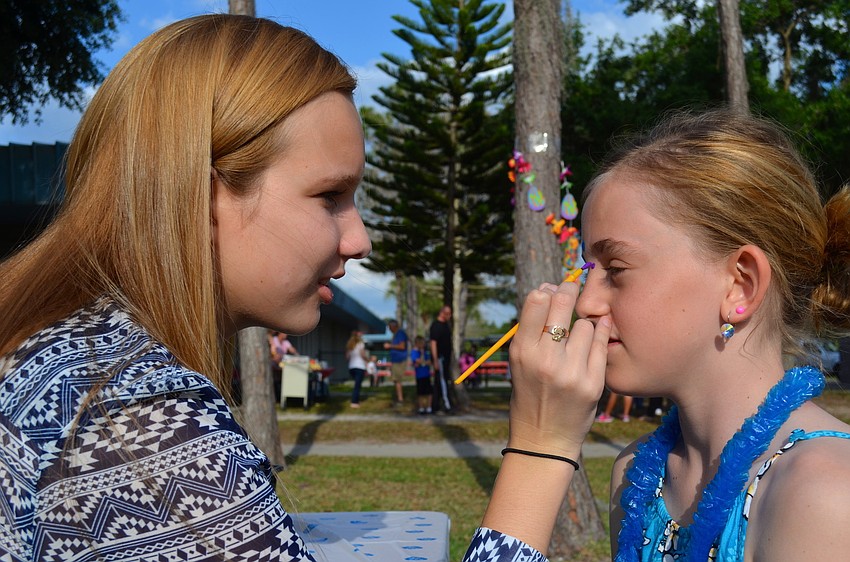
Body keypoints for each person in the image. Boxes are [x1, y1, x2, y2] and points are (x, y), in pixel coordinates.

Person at [0, 15, 609, 561]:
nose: (359, 239)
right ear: (202, 197)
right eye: (330, 197)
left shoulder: (54, 355)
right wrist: (540, 449)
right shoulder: (140, 427)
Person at [569, 109, 850, 561]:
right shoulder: (636, 474)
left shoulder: (826, 494)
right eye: (589, 272)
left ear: (740, 285)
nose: (586, 303)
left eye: (616, 270)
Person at [429, 305, 454, 413]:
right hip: (440, 358)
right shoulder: (436, 326)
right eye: (448, 313)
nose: (450, 316)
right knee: (443, 381)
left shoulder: (446, 325)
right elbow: (433, 343)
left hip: (446, 358)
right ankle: (447, 404)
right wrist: (435, 360)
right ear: (442, 313)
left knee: (439, 382)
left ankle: (435, 405)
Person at [383, 319, 409, 406]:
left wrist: (390, 346)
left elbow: (402, 346)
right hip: (396, 360)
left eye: (390, 327)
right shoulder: (396, 335)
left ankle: (400, 399)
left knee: (397, 380)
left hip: (399, 360)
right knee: (395, 380)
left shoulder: (400, 334)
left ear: (394, 326)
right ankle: (398, 397)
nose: (389, 329)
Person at [269, 330, 298, 399]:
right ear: (280, 333)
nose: (286, 335)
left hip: (282, 365)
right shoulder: (274, 340)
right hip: (274, 364)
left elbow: (292, 350)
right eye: (285, 333)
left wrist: (298, 356)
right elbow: (273, 354)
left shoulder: (286, 342)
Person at [345, 330, 368, 408]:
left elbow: (347, 357)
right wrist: (368, 360)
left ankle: (355, 400)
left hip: (351, 367)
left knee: (356, 384)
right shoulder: (360, 344)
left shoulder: (350, 345)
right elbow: (363, 355)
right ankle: (354, 402)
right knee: (357, 385)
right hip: (360, 366)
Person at [411, 335, 433, 414]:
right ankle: (421, 407)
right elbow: (417, 361)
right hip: (419, 375)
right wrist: (422, 361)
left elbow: (430, 361)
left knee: (429, 392)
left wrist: (424, 361)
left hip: (426, 374)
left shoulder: (426, 352)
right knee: (420, 393)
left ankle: (429, 407)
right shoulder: (414, 352)